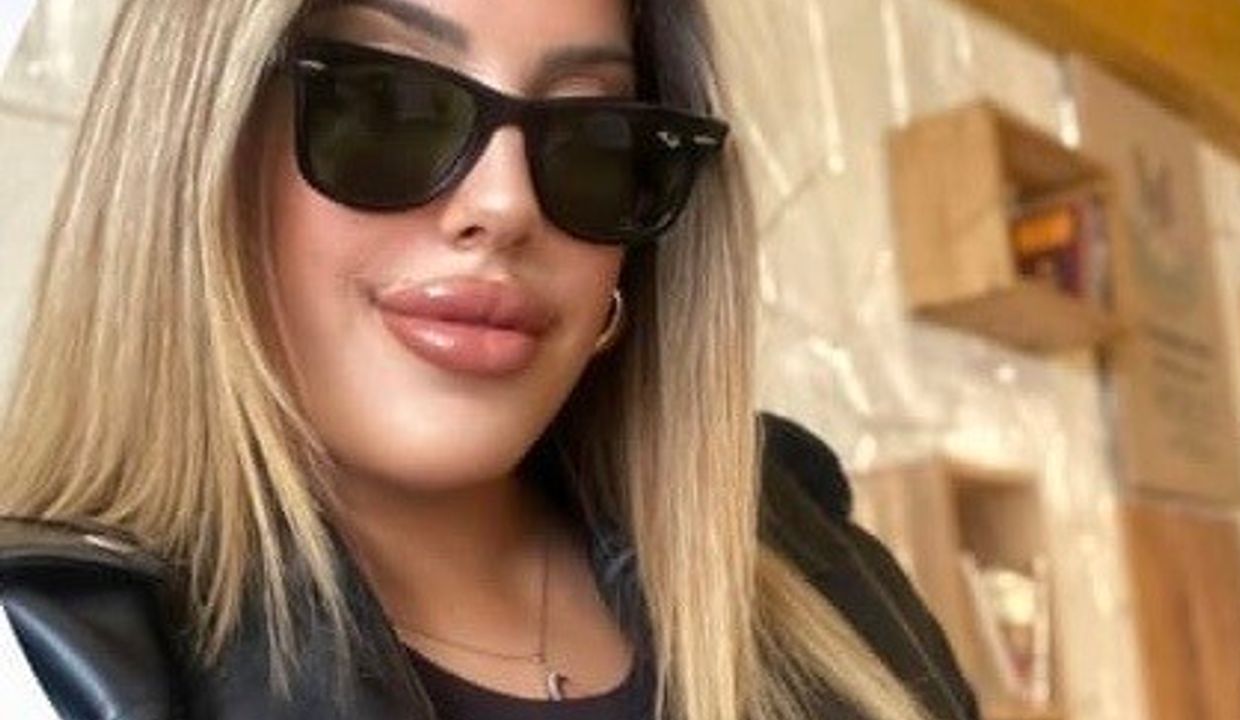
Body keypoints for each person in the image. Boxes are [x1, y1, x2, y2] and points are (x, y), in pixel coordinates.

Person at [0, 0, 978, 718]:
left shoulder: (829, 581)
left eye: (593, 140)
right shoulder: (49, 658)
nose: (506, 206)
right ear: (196, 149)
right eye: (387, 105)